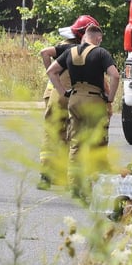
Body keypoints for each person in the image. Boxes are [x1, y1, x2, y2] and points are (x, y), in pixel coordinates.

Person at [46, 17, 120, 199]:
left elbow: (51, 71)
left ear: (84, 36)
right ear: (98, 38)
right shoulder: (101, 53)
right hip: (94, 101)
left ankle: (74, 184)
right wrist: (110, 98)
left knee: (76, 143)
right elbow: (115, 76)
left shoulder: (70, 52)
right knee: (97, 141)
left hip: (75, 99)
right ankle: (97, 181)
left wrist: (63, 91)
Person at [36, 19, 83, 189]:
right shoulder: (77, 49)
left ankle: (46, 175)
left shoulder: (62, 46)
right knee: (70, 135)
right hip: (68, 95)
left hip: (53, 95)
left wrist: (53, 81)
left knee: (52, 134)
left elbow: (46, 57)